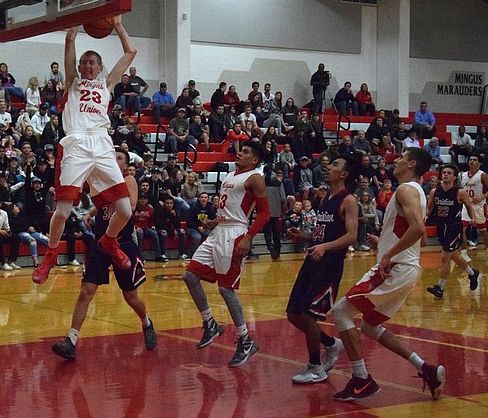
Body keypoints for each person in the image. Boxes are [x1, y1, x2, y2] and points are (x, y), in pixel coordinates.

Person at [329, 147, 446, 402]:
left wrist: (387, 254)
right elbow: (422, 240)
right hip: (406, 267)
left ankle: (362, 379)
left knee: (340, 312)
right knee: (370, 326)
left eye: (402, 157)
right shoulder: (417, 193)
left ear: (412, 164)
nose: (396, 160)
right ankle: (424, 368)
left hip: (396, 267)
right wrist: (383, 241)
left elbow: (417, 229)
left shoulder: (406, 190)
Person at [32, 15, 137, 285]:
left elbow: (131, 52)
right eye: (84, 63)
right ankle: (51, 255)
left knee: (124, 210)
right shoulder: (73, 84)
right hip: (77, 143)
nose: (87, 66)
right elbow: (70, 39)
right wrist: (79, 17)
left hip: (102, 143)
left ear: (101, 67)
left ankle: (109, 241)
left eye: (92, 63)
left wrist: (116, 24)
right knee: (63, 210)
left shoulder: (107, 84)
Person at [52, 147, 156, 360]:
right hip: (101, 244)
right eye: (112, 157)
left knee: (130, 296)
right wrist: (91, 212)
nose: (115, 160)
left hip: (123, 243)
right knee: (86, 291)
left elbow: (131, 206)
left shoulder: (128, 181)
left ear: (125, 165)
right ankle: (71, 340)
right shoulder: (101, 181)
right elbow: (102, 207)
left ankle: (146, 322)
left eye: (119, 158)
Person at [183, 141, 269, 367]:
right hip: (219, 230)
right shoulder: (231, 175)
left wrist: (249, 237)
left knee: (225, 288)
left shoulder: (255, 178)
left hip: (235, 234)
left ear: (255, 160)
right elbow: (229, 207)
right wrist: (215, 219)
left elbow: (265, 213)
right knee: (190, 276)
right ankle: (210, 323)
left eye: (246, 152)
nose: (240, 153)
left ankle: (245, 339)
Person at [285, 156, 359, 384]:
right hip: (313, 261)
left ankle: (315, 367)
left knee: (308, 314)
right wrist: (303, 235)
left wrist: (325, 247)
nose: (329, 167)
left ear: (344, 174)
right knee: (293, 314)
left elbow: (351, 236)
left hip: (330, 264)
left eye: (336, 165)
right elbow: (321, 234)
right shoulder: (325, 197)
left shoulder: (349, 200)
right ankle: (331, 344)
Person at [426, 164, 479, 298]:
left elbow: (469, 206)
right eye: (444, 172)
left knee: (445, 257)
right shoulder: (434, 192)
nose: (445, 175)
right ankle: (473, 273)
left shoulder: (460, 192)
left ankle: (440, 287)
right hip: (441, 226)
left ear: (454, 177)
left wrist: (472, 218)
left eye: (449, 173)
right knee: (454, 255)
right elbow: (430, 208)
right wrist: (425, 216)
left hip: (453, 227)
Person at [459, 153, 488, 266]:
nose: (472, 161)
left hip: (479, 205)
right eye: (470, 159)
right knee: (462, 228)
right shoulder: (462, 175)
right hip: (466, 205)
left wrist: (482, 197)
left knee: (483, 230)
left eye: (474, 160)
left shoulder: (482, 175)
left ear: (479, 163)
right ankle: (464, 253)